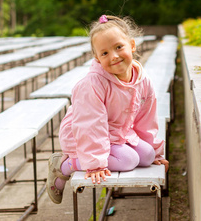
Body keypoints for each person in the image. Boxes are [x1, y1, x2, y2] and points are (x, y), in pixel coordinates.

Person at [46, 14, 169, 204]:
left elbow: (146, 119)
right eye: (104, 53)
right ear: (97, 58)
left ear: (132, 45)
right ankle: (65, 165)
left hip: (117, 133)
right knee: (128, 161)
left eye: (119, 47)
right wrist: (95, 163)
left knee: (147, 156)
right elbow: (90, 125)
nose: (114, 56)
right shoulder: (92, 84)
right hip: (84, 135)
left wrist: (155, 149)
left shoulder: (142, 80)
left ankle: (123, 151)